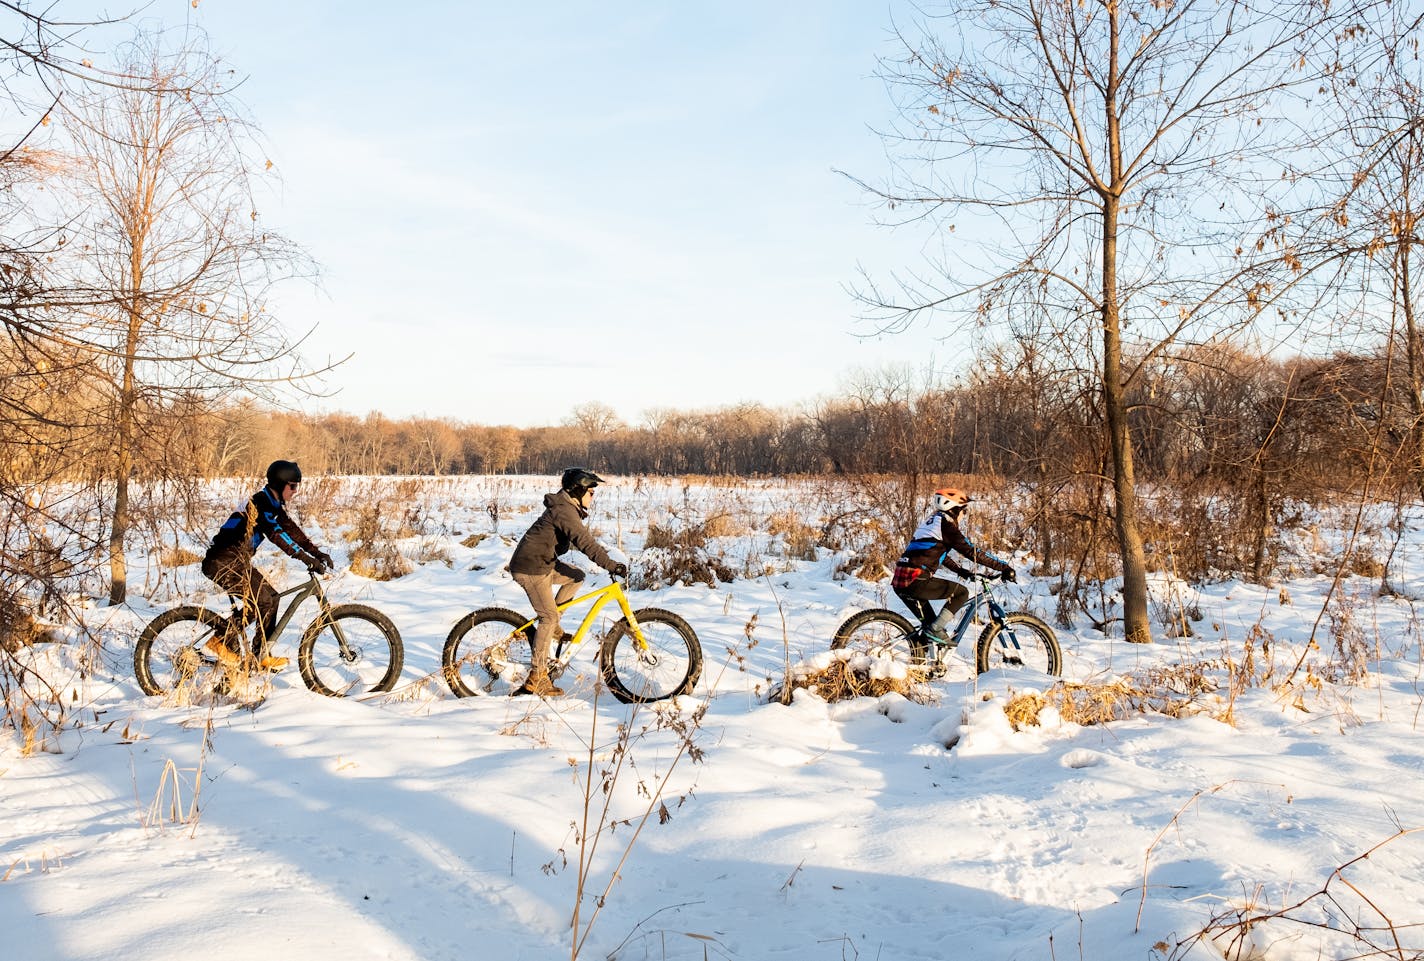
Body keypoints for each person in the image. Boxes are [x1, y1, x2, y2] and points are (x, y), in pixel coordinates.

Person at [201, 460, 334, 671]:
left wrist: (317, 553)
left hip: (234, 562)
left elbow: (291, 531)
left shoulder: (272, 504)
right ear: (280, 484)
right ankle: (222, 641)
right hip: (222, 562)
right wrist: (306, 559)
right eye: (293, 486)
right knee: (264, 600)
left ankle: (260, 654)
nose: (295, 491)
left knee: (269, 600)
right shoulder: (260, 504)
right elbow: (276, 535)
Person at [508, 467, 628, 697]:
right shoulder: (564, 512)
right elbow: (586, 544)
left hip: (542, 563)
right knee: (548, 616)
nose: (593, 496)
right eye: (591, 492)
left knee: (576, 577)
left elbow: (584, 543)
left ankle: (552, 628)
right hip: (530, 568)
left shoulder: (567, 508)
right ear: (578, 490)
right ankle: (537, 678)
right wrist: (612, 565)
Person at [891, 486, 1015, 643]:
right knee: (961, 593)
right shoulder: (947, 526)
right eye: (964, 510)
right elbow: (972, 552)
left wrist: (961, 571)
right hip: (916, 579)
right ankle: (935, 630)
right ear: (955, 509)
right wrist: (1004, 567)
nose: (964, 515)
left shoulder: (930, 523)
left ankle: (923, 662)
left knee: (929, 631)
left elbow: (936, 554)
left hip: (901, 580)